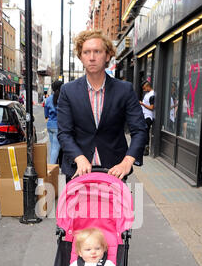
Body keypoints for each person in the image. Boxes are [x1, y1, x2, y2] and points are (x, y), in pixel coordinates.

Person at [57, 30, 147, 181]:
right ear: (80, 57)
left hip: (114, 171)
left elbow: (139, 130)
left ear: (107, 56)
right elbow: (64, 133)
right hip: (78, 171)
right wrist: (79, 158)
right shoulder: (68, 91)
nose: (91, 58)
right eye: (86, 52)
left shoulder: (124, 90)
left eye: (97, 51)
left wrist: (127, 162)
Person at [44, 80, 63, 164]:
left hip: (50, 125)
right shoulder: (62, 98)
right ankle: (51, 168)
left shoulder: (48, 99)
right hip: (57, 126)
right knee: (55, 148)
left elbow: (46, 114)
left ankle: (53, 166)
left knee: (53, 147)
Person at [139, 80, 155, 156]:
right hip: (144, 115)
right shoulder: (147, 94)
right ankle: (143, 148)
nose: (144, 89)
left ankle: (146, 149)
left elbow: (152, 107)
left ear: (148, 86)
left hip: (149, 116)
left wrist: (142, 104)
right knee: (143, 132)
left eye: (144, 88)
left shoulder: (152, 94)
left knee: (145, 132)